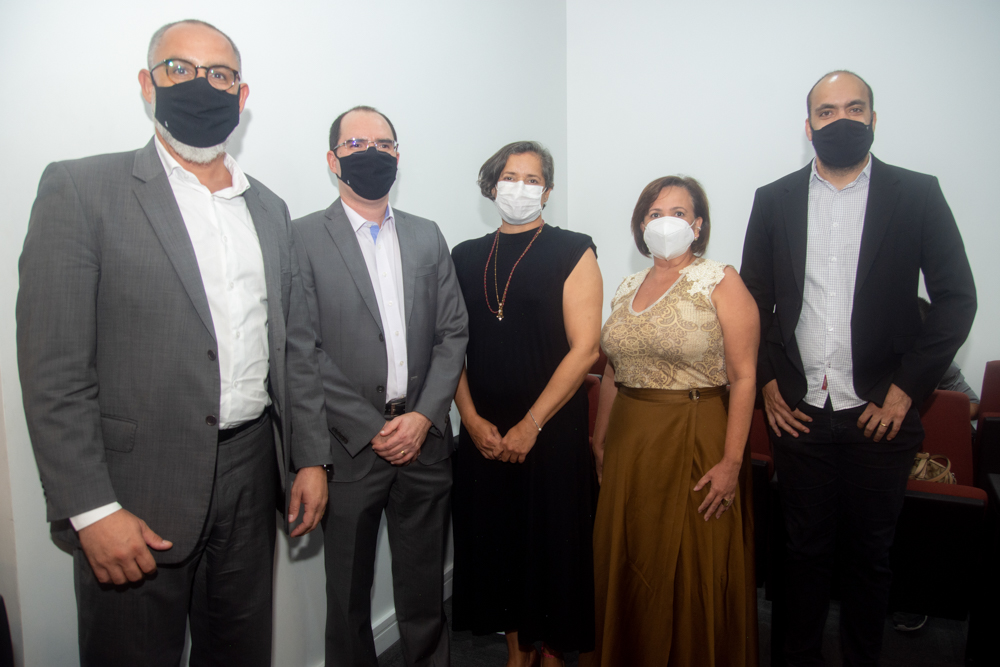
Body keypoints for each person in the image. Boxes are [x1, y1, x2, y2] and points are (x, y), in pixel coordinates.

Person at [15, 19, 330, 667]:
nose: (201, 86)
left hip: (250, 473)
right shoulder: (82, 190)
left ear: (242, 96)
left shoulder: (269, 209)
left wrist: (309, 459)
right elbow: (54, 372)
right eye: (180, 70)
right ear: (146, 83)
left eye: (220, 75)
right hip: (135, 488)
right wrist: (91, 509)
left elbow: (293, 349)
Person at [740, 70, 977, 665]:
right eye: (826, 111)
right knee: (801, 555)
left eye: (853, 108)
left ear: (873, 118)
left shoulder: (917, 194)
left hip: (881, 414)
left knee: (871, 559)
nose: (840, 120)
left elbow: (956, 300)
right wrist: (767, 381)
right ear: (808, 126)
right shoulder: (774, 199)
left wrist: (906, 390)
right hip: (800, 414)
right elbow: (753, 302)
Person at [292, 105, 468, 667]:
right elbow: (302, 346)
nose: (372, 154)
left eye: (384, 144)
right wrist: (373, 428)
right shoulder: (300, 238)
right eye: (356, 144)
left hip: (424, 442)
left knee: (425, 593)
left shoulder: (426, 234)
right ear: (332, 160)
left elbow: (453, 332)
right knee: (347, 596)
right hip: (349, 449)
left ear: (398, 156)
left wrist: (422, 417)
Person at [591, 176, 760, 666]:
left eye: (679, 213)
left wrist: (732, 462)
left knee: (692, 561)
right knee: (631, 554)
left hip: (695, 433)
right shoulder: (627, 286)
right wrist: (599, 440)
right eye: (654, 213)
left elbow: (744, 377)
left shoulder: (720, 280)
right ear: (641, 224)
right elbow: (612, 370)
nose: (665, 222)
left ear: (698, 224)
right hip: (629, 441)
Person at [450, 141, 603, 667]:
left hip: (551, 427)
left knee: (552, 543)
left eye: (532, 179)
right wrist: (470, 419)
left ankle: (554, 652)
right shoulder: (464, 256)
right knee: (499, 543)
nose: (520, 188)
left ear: (548, 191)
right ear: (492, 186)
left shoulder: (574, 250)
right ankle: (517, 651)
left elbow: (585, 349)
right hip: (485, 431)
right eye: (510, 178)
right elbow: (448, 347)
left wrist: (531, 424)